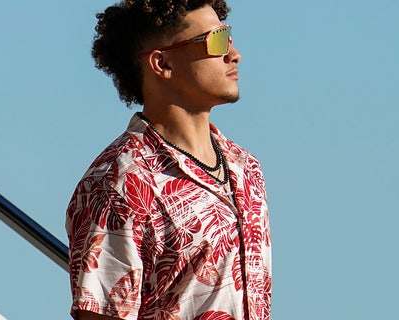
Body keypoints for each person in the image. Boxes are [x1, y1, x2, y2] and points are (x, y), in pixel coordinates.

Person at [65, 1, 271, 319]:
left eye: (229, 37)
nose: (234, 54)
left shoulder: (246, 168)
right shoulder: (120, 183)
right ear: (162, 63)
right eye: (217, 40)